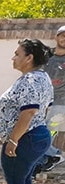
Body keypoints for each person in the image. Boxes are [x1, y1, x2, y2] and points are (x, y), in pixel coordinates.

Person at [0, 39, 54, 184]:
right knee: (24, 176)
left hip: (26, 138)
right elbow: (45, 108)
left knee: (15, 177)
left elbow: (29, 112)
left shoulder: (30, 80)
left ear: (29, 58)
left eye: (17, 54)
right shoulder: (43, 78)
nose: (13, 57)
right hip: (38, 134)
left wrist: (13, 140)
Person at [37, 25, 65, 173]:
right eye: (62, 35)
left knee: (50, 131)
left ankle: (55, 154)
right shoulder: (48, 56)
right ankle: (47, 158)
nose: (64, 38)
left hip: (62, 104)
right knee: (38, 131)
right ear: (56, 37)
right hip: (43, 102)